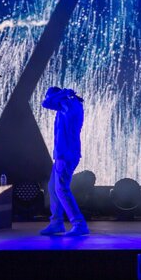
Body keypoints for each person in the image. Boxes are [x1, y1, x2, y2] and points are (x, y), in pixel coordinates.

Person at [40, 86, 89, 236]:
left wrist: (63, 94)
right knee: (53, 188)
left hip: (67, 154)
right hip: (62, 154)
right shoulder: (65, 107)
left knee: (61, 189)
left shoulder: (69, 105)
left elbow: (46, 103)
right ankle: (56, 223)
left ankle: (79, 224)